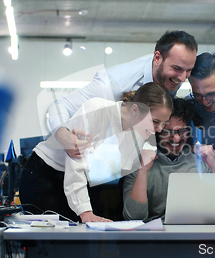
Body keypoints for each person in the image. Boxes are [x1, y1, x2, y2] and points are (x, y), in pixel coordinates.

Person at [20, 83, 173, 223]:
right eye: (155, 121)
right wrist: (85, 212)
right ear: (134, 110)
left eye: (164, 123)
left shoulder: (140, 130)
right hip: (44, 174)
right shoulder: (97, 110)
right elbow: (75, 164)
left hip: (77, 183)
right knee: (50, 245)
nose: (159, 129)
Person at [49, 30, 197, 159]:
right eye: (177, 69)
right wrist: (63, 136)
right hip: (61, 161)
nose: (183, 78)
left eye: (188, 70)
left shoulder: (170, 71)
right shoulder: (113, 84)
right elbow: (60, 106)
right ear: (157, 58)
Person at [122, 98, 215, 222]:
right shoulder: (140, 163)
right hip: (158, 236)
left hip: (197, 233)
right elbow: (134, 217)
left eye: (181, 131)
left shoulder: (202, 161)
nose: (176, 139)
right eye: (167, 132)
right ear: (157, 132)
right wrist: (142, 171)